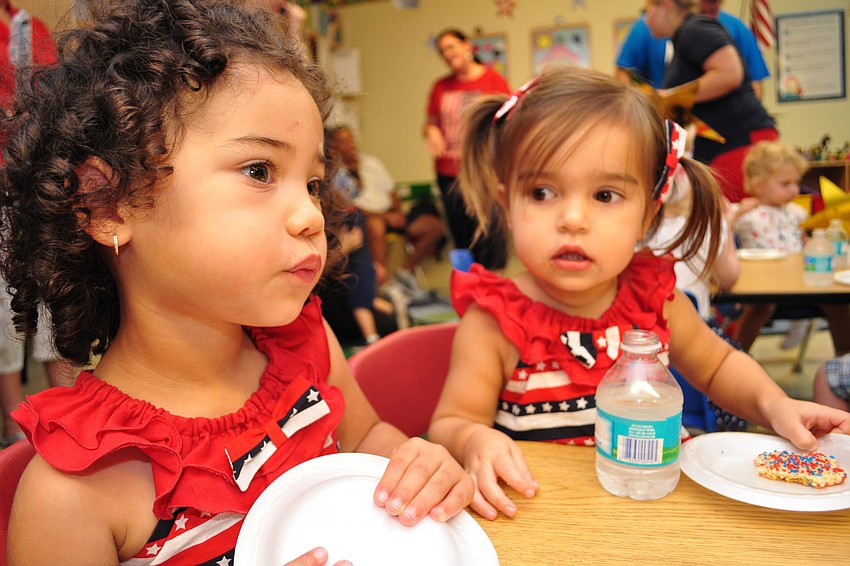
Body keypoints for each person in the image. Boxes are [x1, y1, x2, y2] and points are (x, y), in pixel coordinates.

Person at [0, 2, 473, 564]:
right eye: (259, 171)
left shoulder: (310, 351)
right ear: (110, 204)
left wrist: (420, 470)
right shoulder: (76, 489)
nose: (313, 216)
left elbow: (371, 445)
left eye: (314, 182)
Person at [426, 66, 850, 521]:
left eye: (605, 196)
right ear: (507, 203)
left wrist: (775, 404)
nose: (572, 218)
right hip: (548, 521)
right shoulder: (495, 319)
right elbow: (449, 423)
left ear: (648, 216)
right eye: (542, 191)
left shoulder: (655, 299)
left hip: (661, 511)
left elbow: (720, 364)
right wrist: (473, 438)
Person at [0, 0, 76, 447]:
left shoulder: (32, 27)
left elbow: (54, 100)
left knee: (56, 293)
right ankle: (14, 432)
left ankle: (68, 413)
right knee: (2, 307)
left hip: (38, 181)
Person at [643, 0, 778, 204]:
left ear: (666, 6)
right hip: (725, 147)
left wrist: (670, 98)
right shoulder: (684, 37)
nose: (646, 20)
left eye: (648, 11)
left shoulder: (694, 30)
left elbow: (730, 72)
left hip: (741, 145)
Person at [731, 141, 850, 355]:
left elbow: (803, 240)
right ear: (758, 185)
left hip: (800, 282)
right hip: (762, 285)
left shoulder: (796, 212)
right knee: (761, 308)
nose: (795, 189)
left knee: (839, 305)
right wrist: (735, 214)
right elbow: (720, 231)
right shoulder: (746, 213)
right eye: (786, 184)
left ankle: (845, 362)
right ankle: (735, 356)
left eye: (796, 182)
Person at [425, 28, 511, 271]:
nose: (447, 54)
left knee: (488, 234)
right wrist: (431, 132)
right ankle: (469, 291)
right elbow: (431, 124)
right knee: (461, 237)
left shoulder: (493, 80)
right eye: (442, 51)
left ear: (467, 46)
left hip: (483, 172)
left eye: (451, 47)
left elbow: (507, 123)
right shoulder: (440, 86)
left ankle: (494, 293)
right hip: (449, 174)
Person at [327, 125, 445, 293]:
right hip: (368, 218)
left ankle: (405, 272)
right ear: (333, 146)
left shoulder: (372, 163)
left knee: (433, 225)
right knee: (376, 225)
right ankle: (383, 283)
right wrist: (385, 216)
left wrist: (396, 213)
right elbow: (351, 206)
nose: (349, 144)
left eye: (350, 138)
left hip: (390, 212)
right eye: (342, 141)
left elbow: (393, 192)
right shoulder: (337, 174)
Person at [616, 0, 770, 98]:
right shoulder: (648, 29)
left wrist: (671, 98)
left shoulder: (698, 28)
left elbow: (733, 74)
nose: (713, 6)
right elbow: (623, 75)